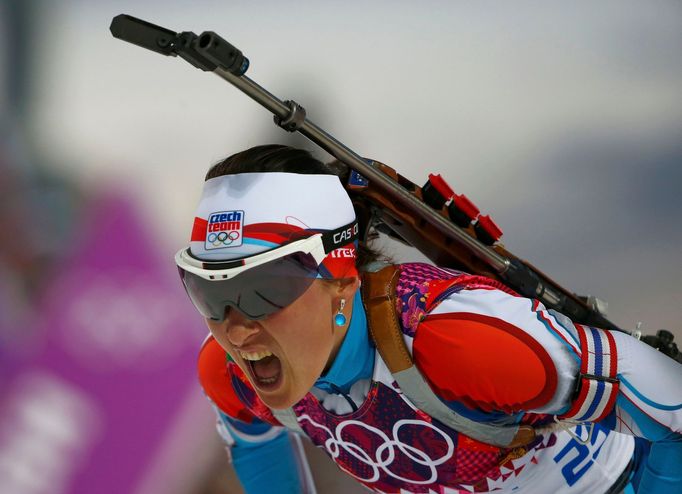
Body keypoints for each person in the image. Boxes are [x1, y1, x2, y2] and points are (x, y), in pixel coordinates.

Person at [176, 144, 682, 493]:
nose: (236, 330)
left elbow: (674, 408)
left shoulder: (455, 337)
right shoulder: (230, 370)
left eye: (262, 292)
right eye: (210, 293)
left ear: (343, 281)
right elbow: (256, 445)